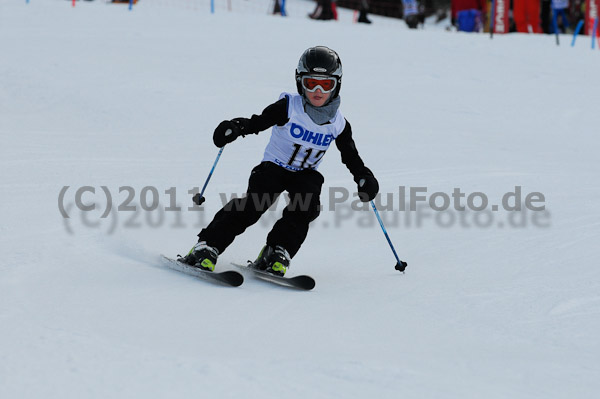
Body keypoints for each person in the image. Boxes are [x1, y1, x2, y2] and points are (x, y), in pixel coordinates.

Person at [179, 46, 379, 276]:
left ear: (337, 85)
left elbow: (350, 156)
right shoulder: (289, 107)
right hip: (273, 168)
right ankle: (207, 246)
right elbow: (258, 122)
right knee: (255, 204)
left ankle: (277, 250)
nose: (317, 90)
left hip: (305, 174)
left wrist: (364, 177)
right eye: (310, 82)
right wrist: (236, 127)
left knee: (306, 207)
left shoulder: (339, 124)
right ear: (299, 82)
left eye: (325, 85)